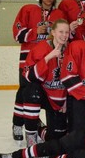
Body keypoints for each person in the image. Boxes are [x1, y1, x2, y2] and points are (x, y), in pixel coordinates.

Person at [12, 0, 66, 142]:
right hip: (28, 62)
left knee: (40, 94)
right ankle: (17, 124)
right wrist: (34, 32)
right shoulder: (28, 10)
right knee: (24, 92)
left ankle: (35, 124)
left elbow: (65, 34)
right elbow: (17, 34)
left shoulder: (59, 14)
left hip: (49, 63)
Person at [22, 19, 70, 147]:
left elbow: (75, 78)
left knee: (55, 139)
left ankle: (38, 127)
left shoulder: (71, 50)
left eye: (67, 32)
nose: (64, 35)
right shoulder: (41, 48)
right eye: (61, 31)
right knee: (32, 90)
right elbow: (29, 76)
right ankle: (31, 134)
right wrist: (48, 57)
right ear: (53, 32)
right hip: (45, 96)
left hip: (61, 100)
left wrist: (66, 100)